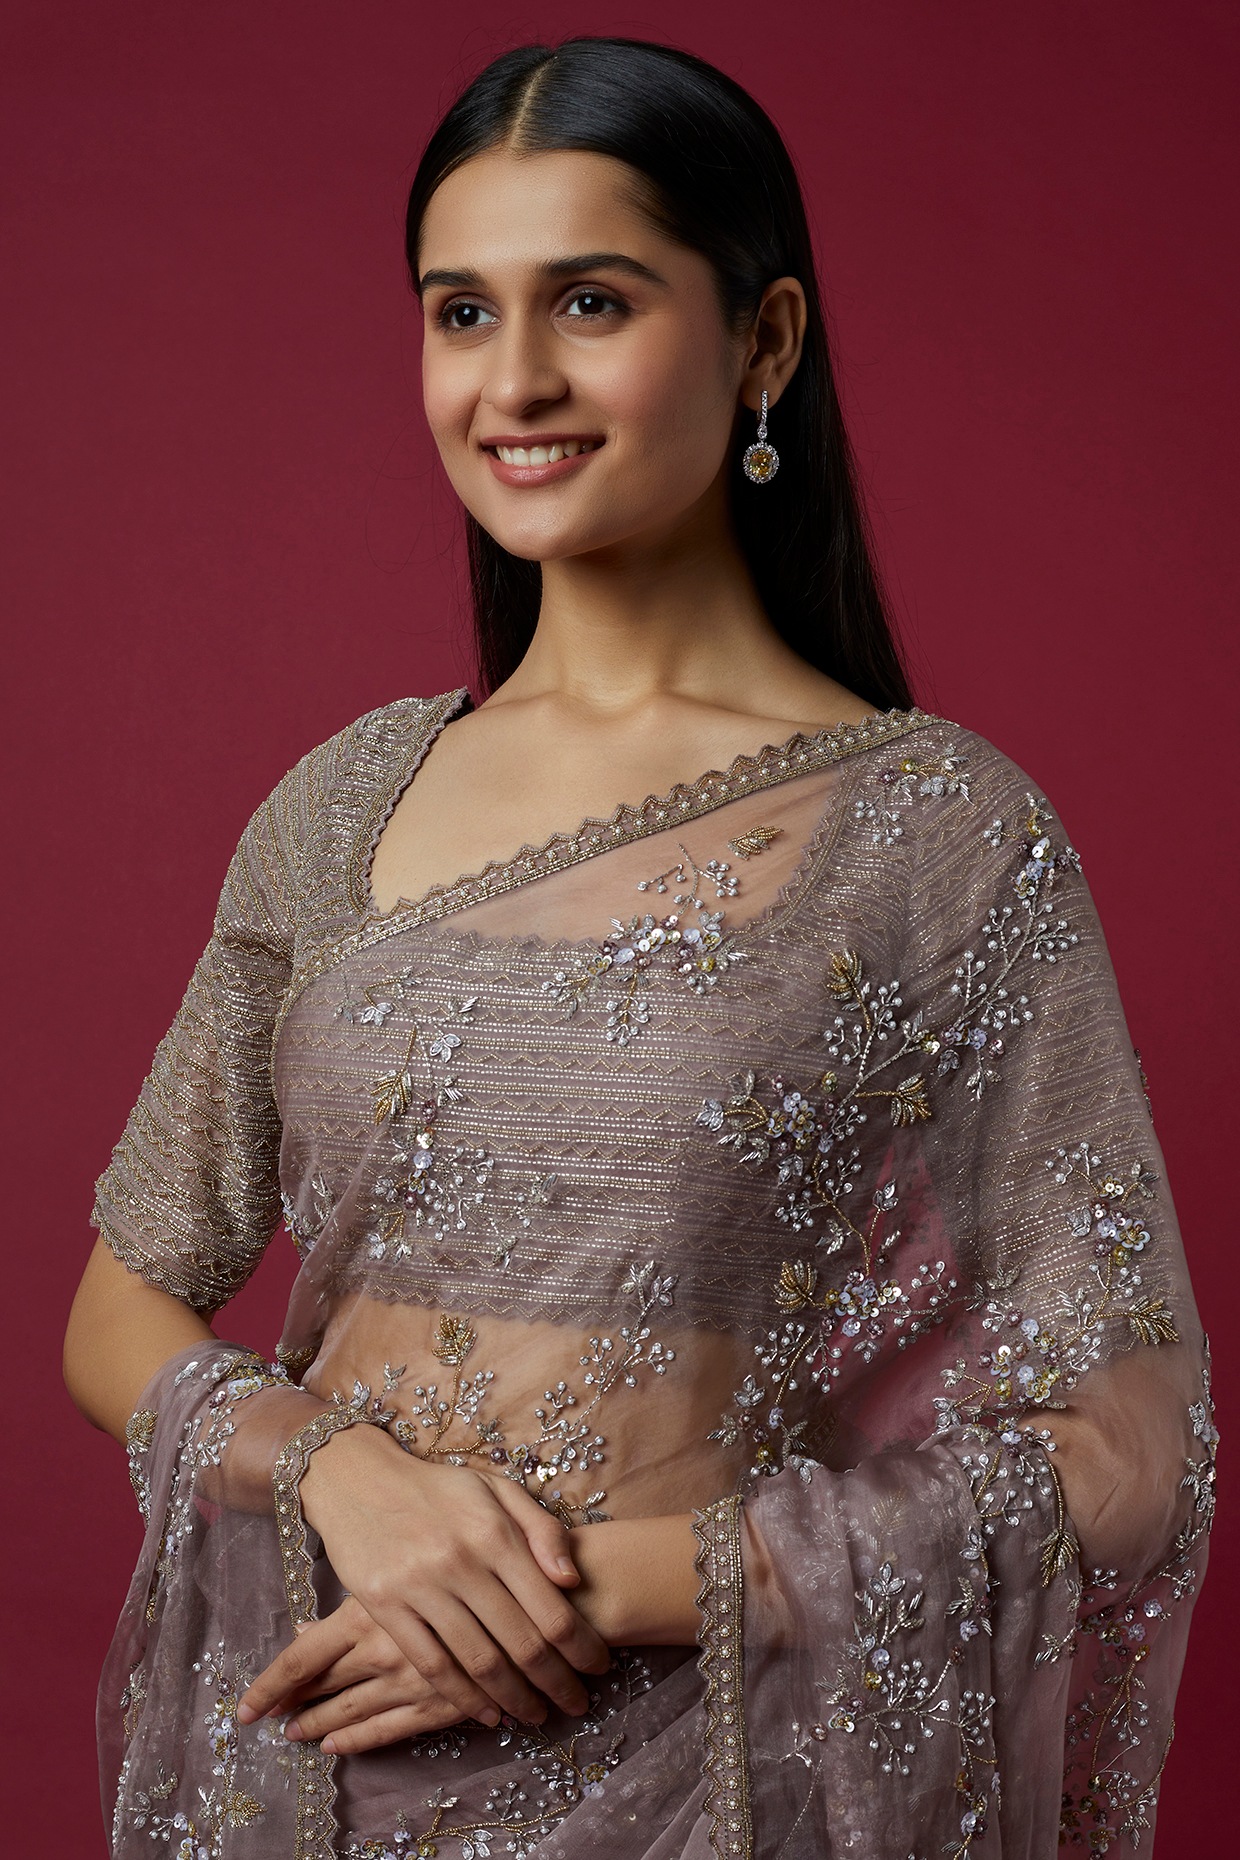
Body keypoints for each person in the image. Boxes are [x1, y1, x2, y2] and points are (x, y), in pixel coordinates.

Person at [64, 36, 1214, 1860]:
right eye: (460, 311)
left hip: (715, 1779)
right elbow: (123, 1304)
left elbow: (1133, 1437)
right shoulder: (342, 803)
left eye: (590, 302)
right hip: (311, 1750)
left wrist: (601, 1587)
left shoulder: (935, 834)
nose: (512, 379)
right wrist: (350, 1480)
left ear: (762, 343)